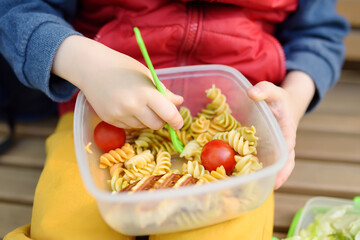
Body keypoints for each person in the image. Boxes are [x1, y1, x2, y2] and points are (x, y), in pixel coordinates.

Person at [0, 0, 349, 239]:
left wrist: (295, 97)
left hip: (237, 125)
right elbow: (17, 10)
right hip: (101, 116)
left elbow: (319, 35)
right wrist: (82, 61)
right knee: (65, 226)